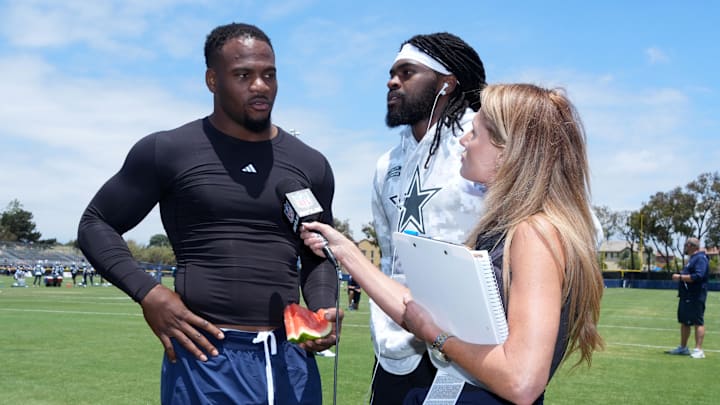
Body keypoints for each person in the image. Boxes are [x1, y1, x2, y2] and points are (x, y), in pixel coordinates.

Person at [77, 22, 339, 404]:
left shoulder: (309, 164)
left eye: (269, 74)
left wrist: (320, 308)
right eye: (243, 75)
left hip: (290, 358)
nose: (260, 86)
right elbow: (95, 224)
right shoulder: (169, 150)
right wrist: (149, 294)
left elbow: (319, 253)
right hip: (206, 356)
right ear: (212, 80)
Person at [302, 83, 605, 404]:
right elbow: (417, 306)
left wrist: (436, 336)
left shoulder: (535, 233)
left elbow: (522, 381)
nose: (463, 140)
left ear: (508, 149)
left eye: (474, 133)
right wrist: (345, 251)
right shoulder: (507, 228)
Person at [370, 32, 487, 404]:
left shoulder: (483, 146)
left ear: (447, 83)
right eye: (392, 73)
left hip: (471, 350)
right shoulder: (386, 164)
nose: (392, 81)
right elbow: (389, 258)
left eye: (407, 72)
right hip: (397, 346)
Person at [666, 237, 709, 359]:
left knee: (697, 322)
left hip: (696, 295)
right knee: (684, 322)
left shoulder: (700, 258)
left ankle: (699, 350)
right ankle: (683, 347)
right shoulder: (692, 259)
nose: (685, 247)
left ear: (692, 246)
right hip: (686, 296)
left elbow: (698, 276)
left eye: (686, 245)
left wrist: (680, 277)